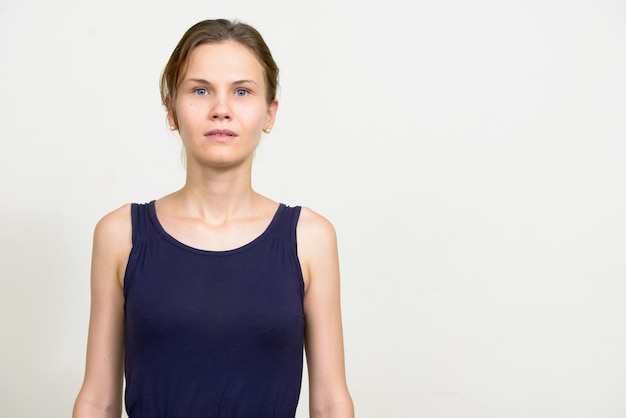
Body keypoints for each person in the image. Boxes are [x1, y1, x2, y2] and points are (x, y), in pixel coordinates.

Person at [72, 18, 354, 418]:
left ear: (270, 113)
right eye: (200, 90)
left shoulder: (310, 238)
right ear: (171, 109)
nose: (221, 110)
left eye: (242, 92)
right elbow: (97, 400)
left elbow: (330, 402)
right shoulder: (121, 235)